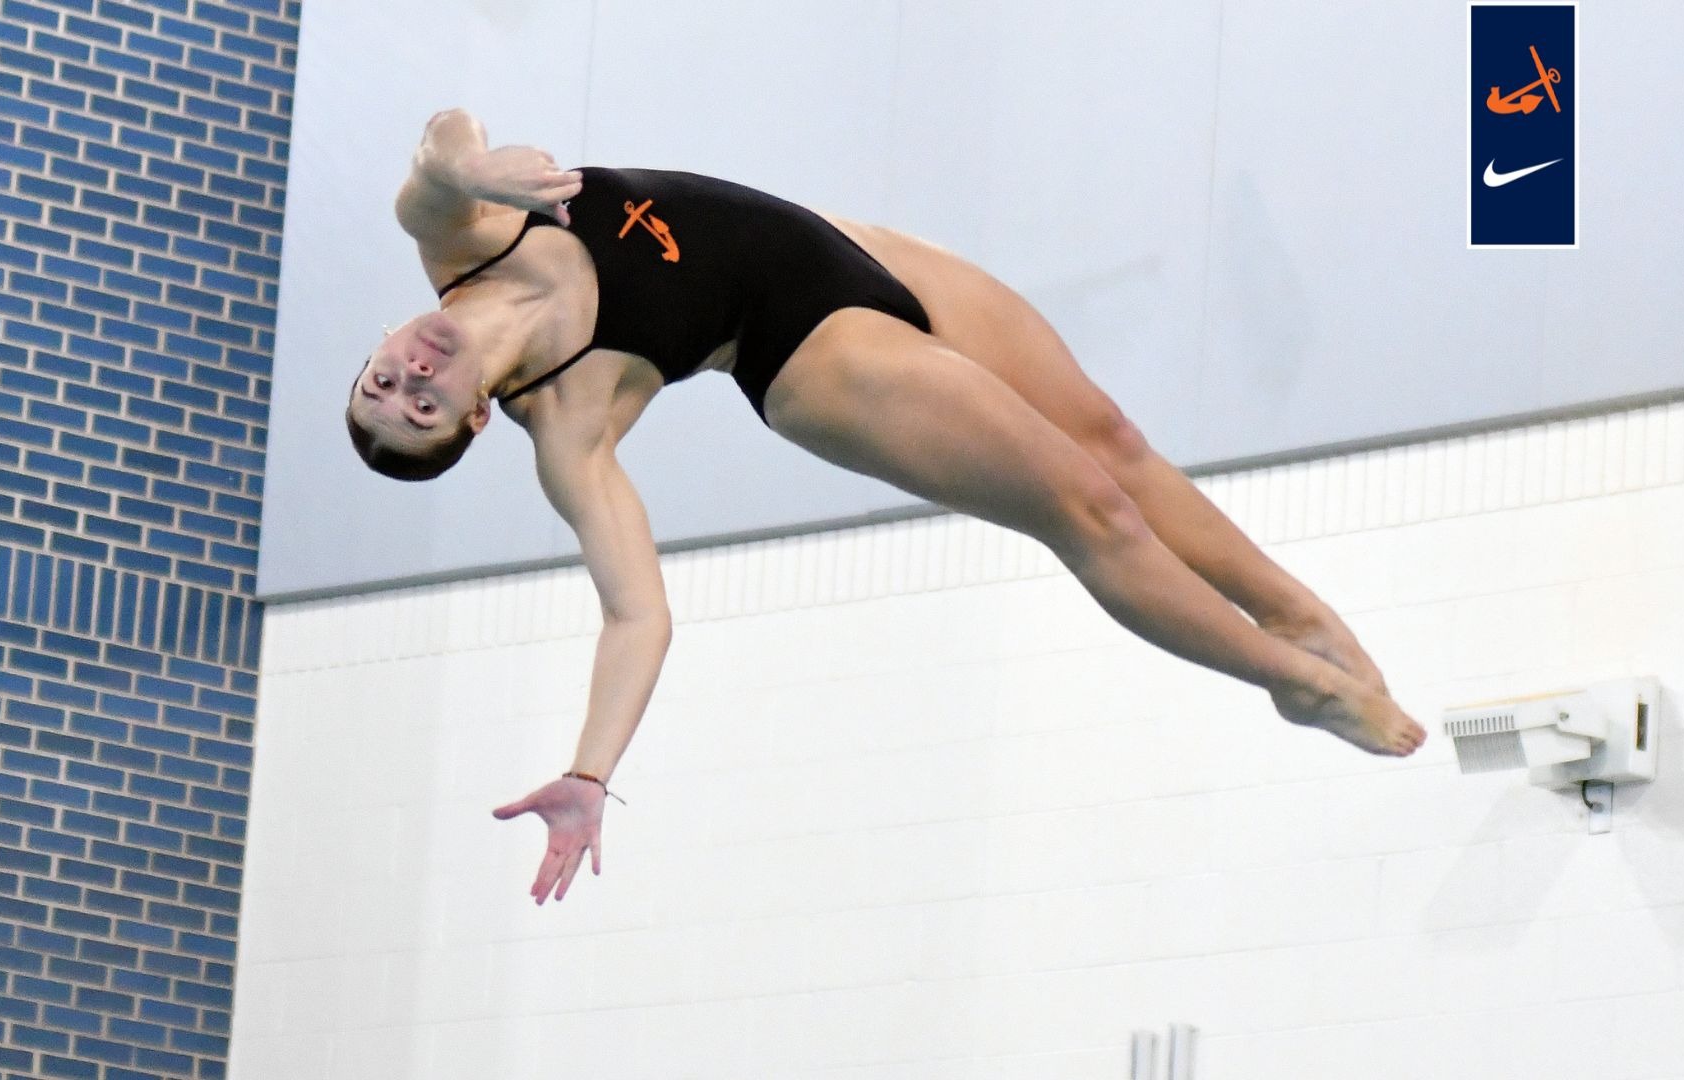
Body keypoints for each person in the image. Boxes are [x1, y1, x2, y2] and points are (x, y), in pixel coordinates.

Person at [347, 109, 1427, 905]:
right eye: (420, 408)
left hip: (834, 241)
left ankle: (1297, 617)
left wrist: (477, 165)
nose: (409, 377)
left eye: (382, 381)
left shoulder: (461, 235)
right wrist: (589, 774)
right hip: (814, 357)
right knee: (1087, 507)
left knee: (1114, 441)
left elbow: (435, 152)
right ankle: (1294, 683)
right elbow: (638, 615)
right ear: (474, 421)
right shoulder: (567, 430)